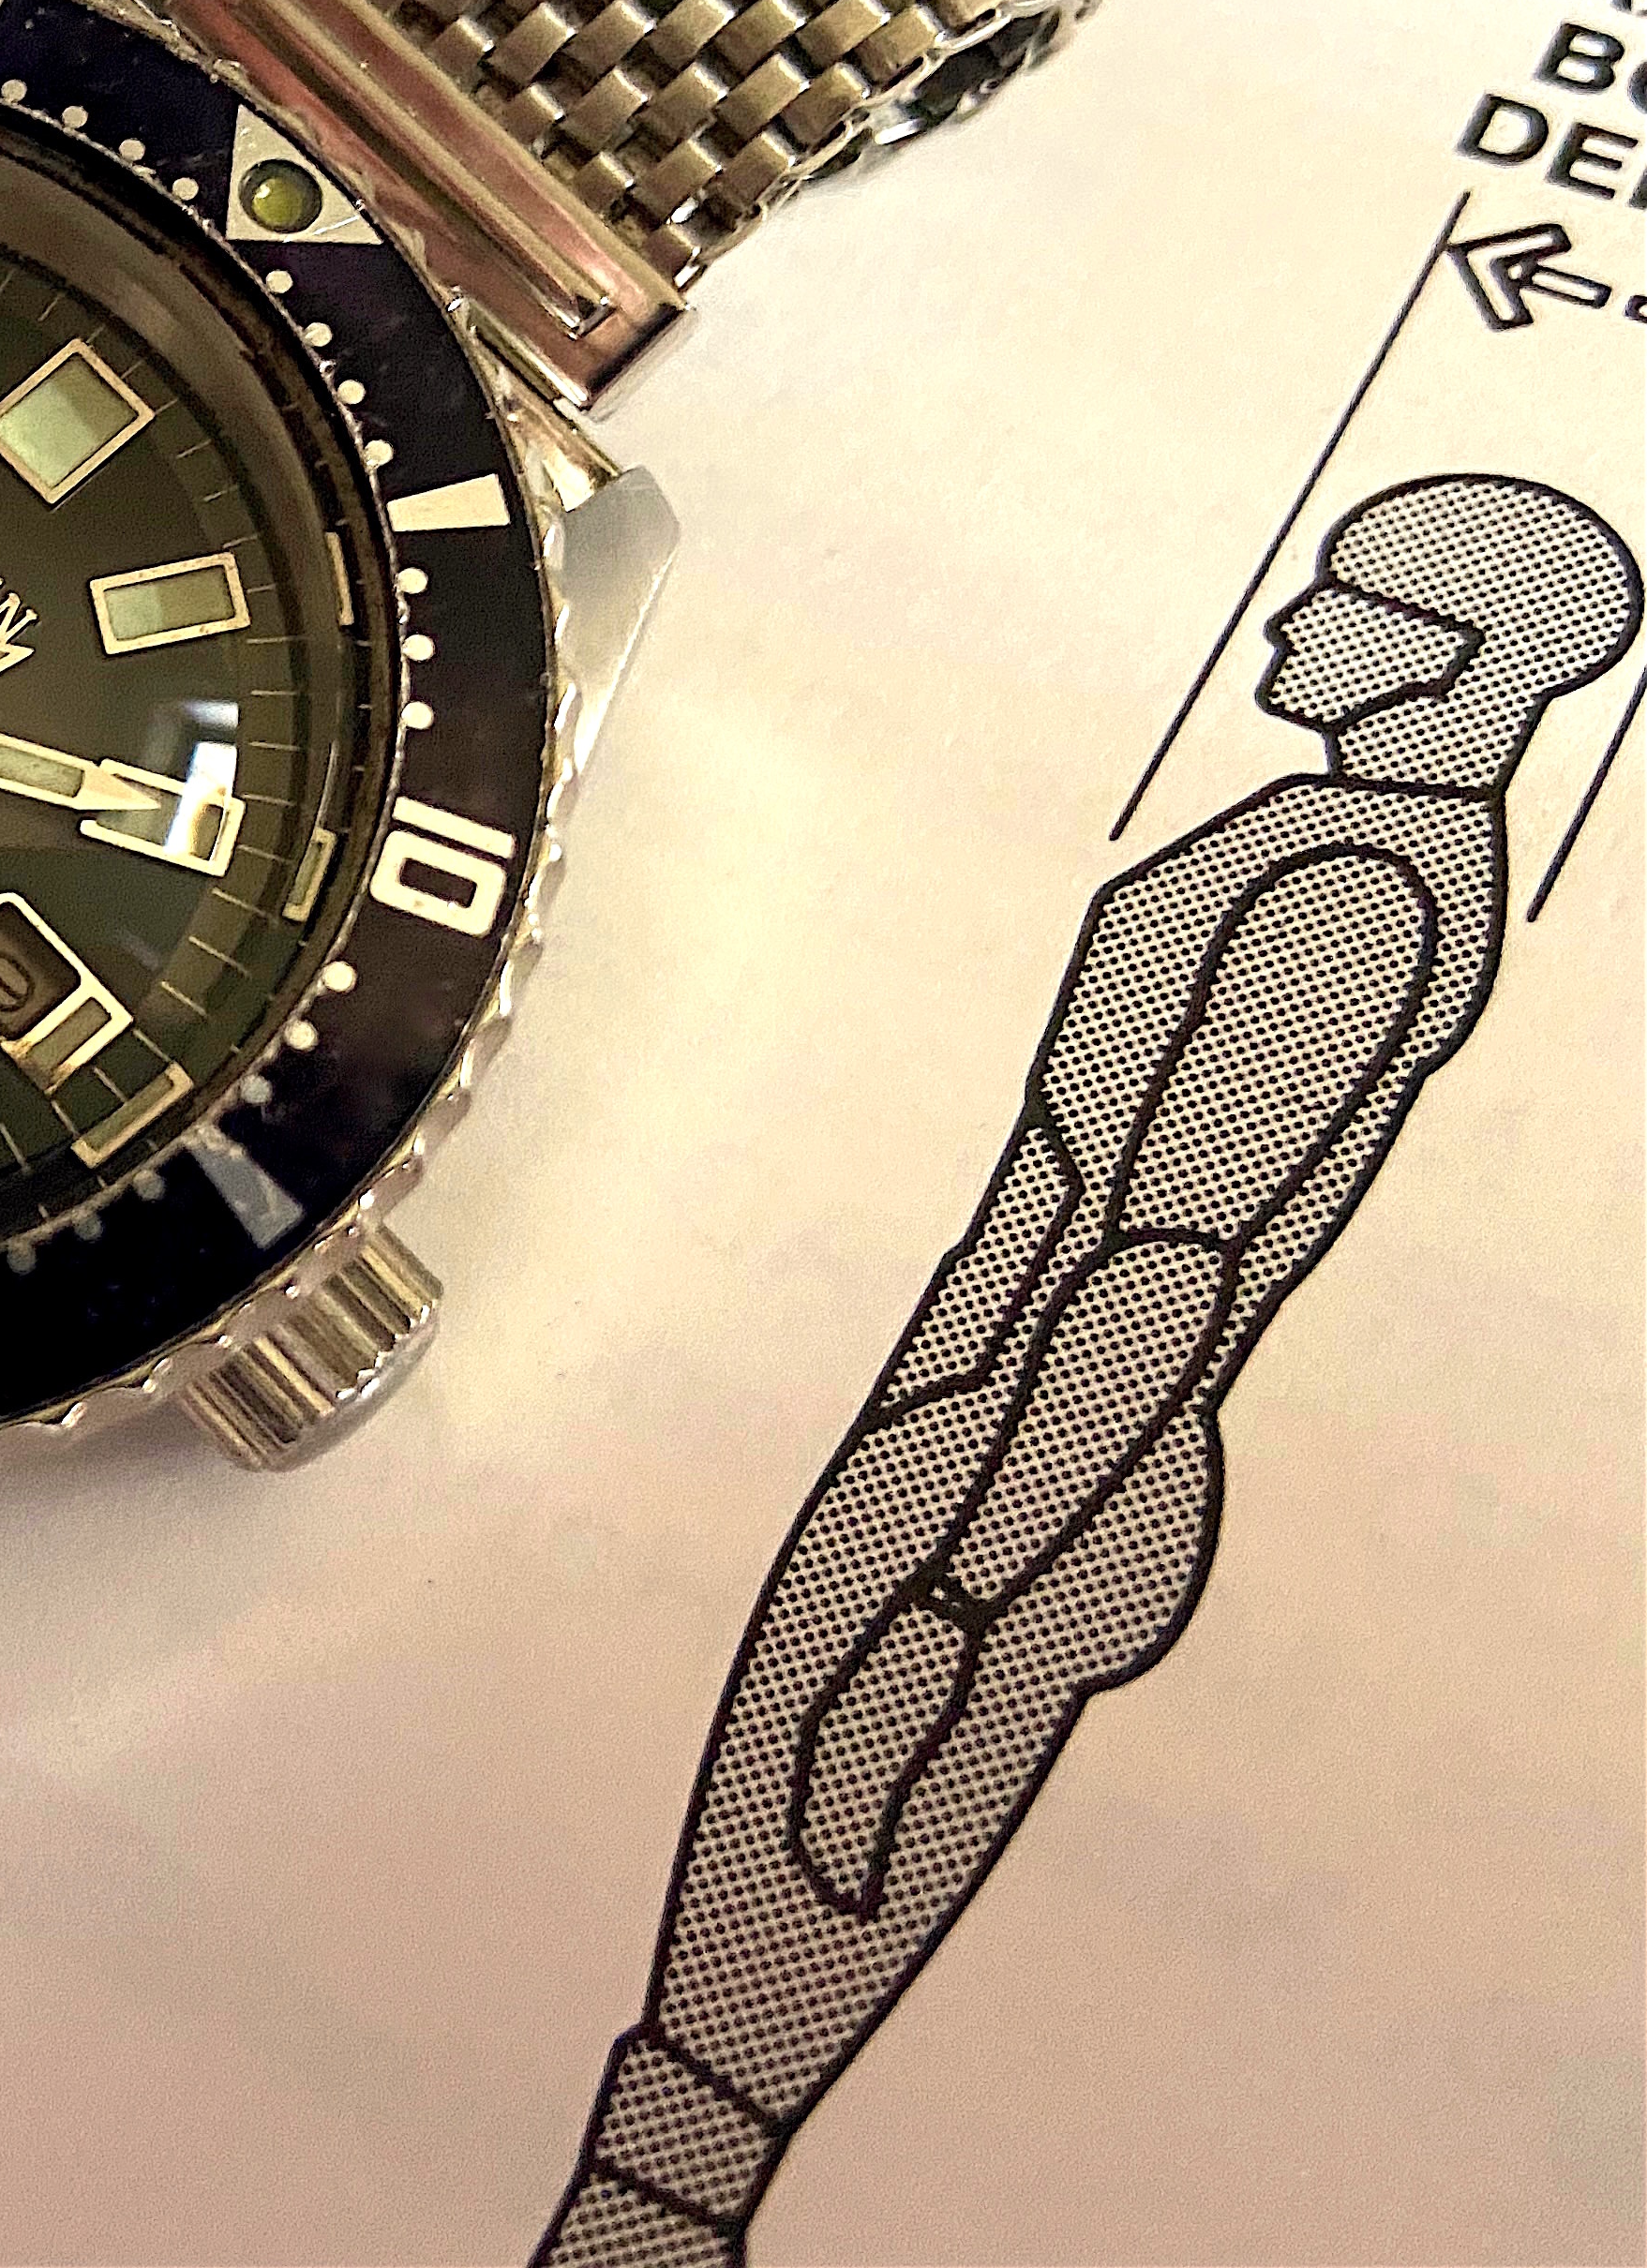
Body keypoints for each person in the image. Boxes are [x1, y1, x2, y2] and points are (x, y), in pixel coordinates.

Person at [538, 474, 1644, 2265]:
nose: (1292, 618)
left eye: (1351, 598)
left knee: (762, 1971)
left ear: (1457, 663)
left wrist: (959, 1586)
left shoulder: (1363, 886)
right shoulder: (1353, 839)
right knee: (739, 1970)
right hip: (998, 1433)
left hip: (1037, 1459)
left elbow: (1166, 1262)